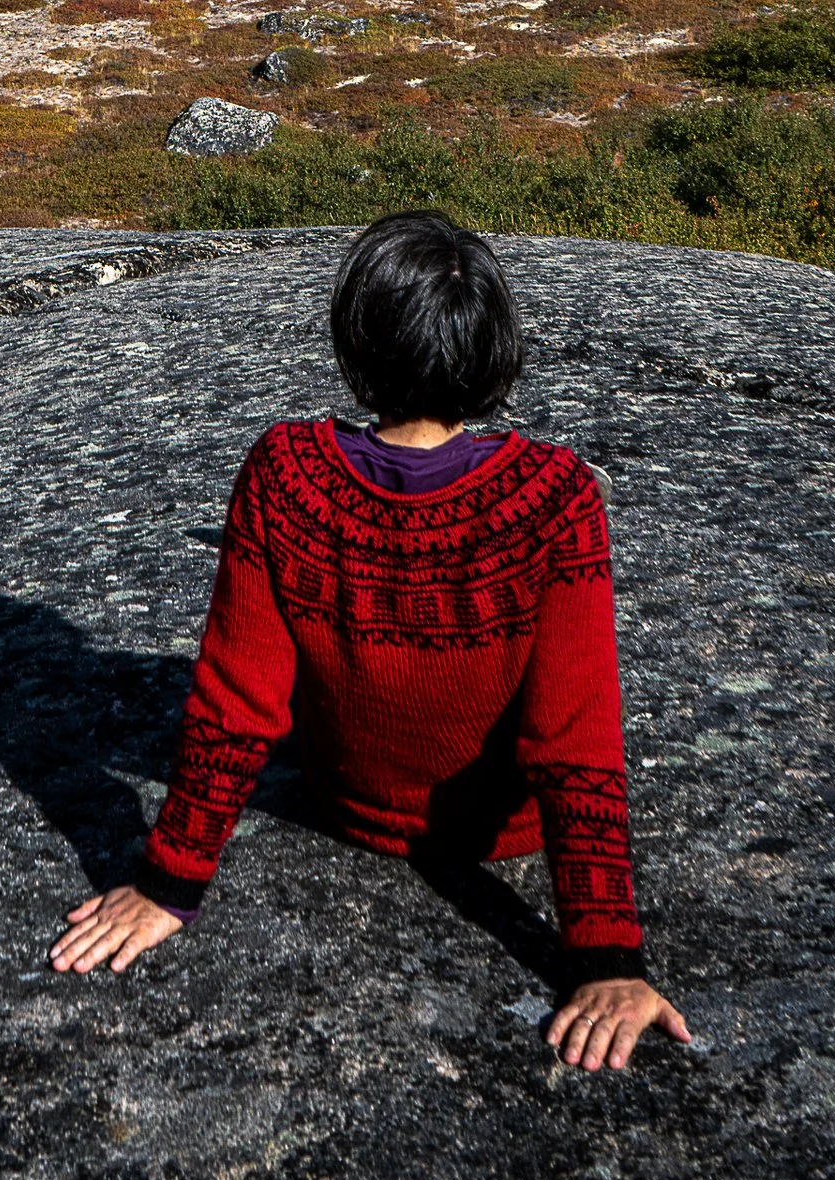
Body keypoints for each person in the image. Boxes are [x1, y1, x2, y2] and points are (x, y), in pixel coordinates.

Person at [50, 210, 689, 1074]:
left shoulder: (285, 471)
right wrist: (606, 959)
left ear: (355, 340)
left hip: (346, 808)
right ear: (492, 346)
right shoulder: (555, 496)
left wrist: (171, 885)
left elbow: (239, 696)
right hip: (504, 838)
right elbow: (574, 734)